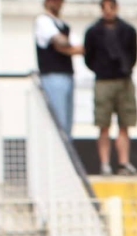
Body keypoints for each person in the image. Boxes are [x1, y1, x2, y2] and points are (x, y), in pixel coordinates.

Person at [84, 0, 137, 176]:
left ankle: (124, 163)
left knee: (125, 124)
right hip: (103, 81)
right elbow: (89, 58)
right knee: (103, 125)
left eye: (111, 8)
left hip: (124, 80)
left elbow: (133, 55)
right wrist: (102, 69)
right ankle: (105, 164)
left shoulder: (128, 31)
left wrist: (125, 68)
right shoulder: (93, 32)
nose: (108, 12)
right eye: (105, 8)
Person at [35, 0, 84, 139]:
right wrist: (67, 47)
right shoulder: (43, 21)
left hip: (67, 76)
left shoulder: (63, 25)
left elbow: (79, 47)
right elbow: (60, 42)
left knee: (67, 124)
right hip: (52, 76)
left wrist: (67, 48)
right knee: (58, 121)